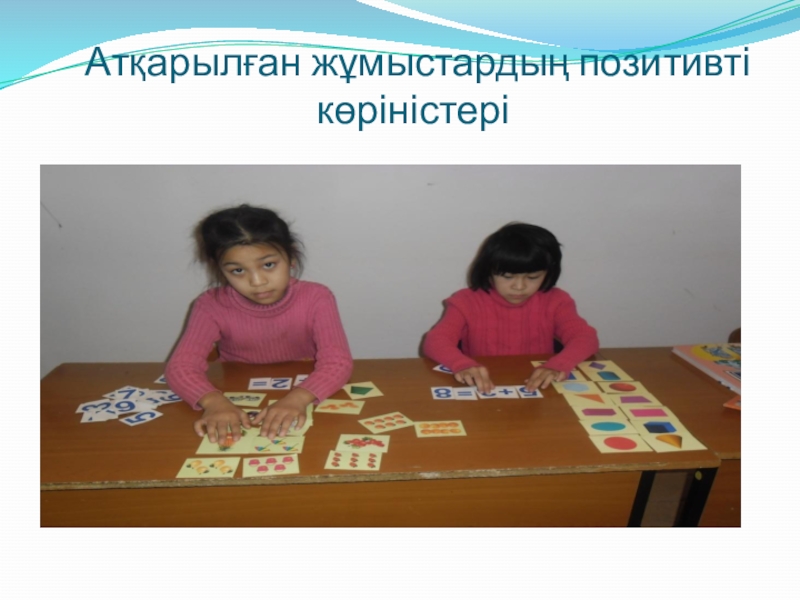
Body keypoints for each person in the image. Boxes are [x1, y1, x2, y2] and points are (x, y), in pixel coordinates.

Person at [166, 204, 353, 443]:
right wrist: (214, 402)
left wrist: (297, 399)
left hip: (307, 390)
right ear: (220, 269)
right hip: (234, 394)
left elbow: (338, 362)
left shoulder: (317, 297)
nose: (257, 281)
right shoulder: (209, 305)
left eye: (268, 265)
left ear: (291, 257)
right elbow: (180, 367)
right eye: (237, 270)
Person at [422, 222, 598, 394]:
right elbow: (436, 341)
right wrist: (462, 364)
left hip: (539, 387)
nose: (519, 287)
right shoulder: (465, 302)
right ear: (488, 271)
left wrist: (559, 364)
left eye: (533, 277)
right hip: (485, 386)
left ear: (549, 273)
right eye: (507, 277)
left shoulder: (556, 301)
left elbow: (585, 337)